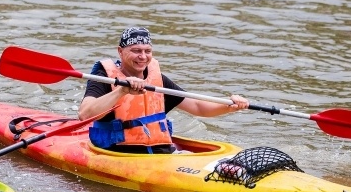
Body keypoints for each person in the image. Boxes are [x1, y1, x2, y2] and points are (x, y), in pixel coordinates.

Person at [78, 27, 250, 154]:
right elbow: (85, 113)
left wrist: (229, 105)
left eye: (147, 51)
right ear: (120, 52)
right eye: (136, 51)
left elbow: (198, 106)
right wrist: (121, 91)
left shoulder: (157, 80)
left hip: (162, 153)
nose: (143, 56)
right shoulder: (104, 77)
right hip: (119, 154)